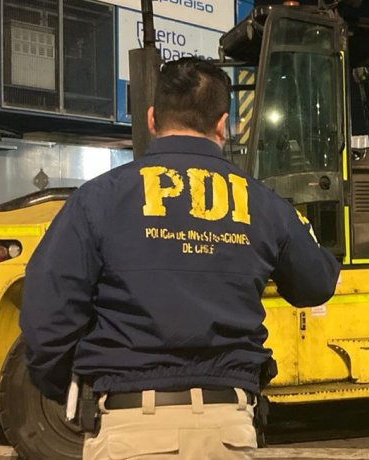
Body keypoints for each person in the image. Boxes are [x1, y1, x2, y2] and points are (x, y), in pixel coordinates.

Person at [20, 57, 341, 459]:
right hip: (229, 427)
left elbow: (45, 317)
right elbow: (316, 284)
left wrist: (75, 386)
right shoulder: (262, 202)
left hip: (128, 427)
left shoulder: (98, 198)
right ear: (225, 124)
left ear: (153, 119)